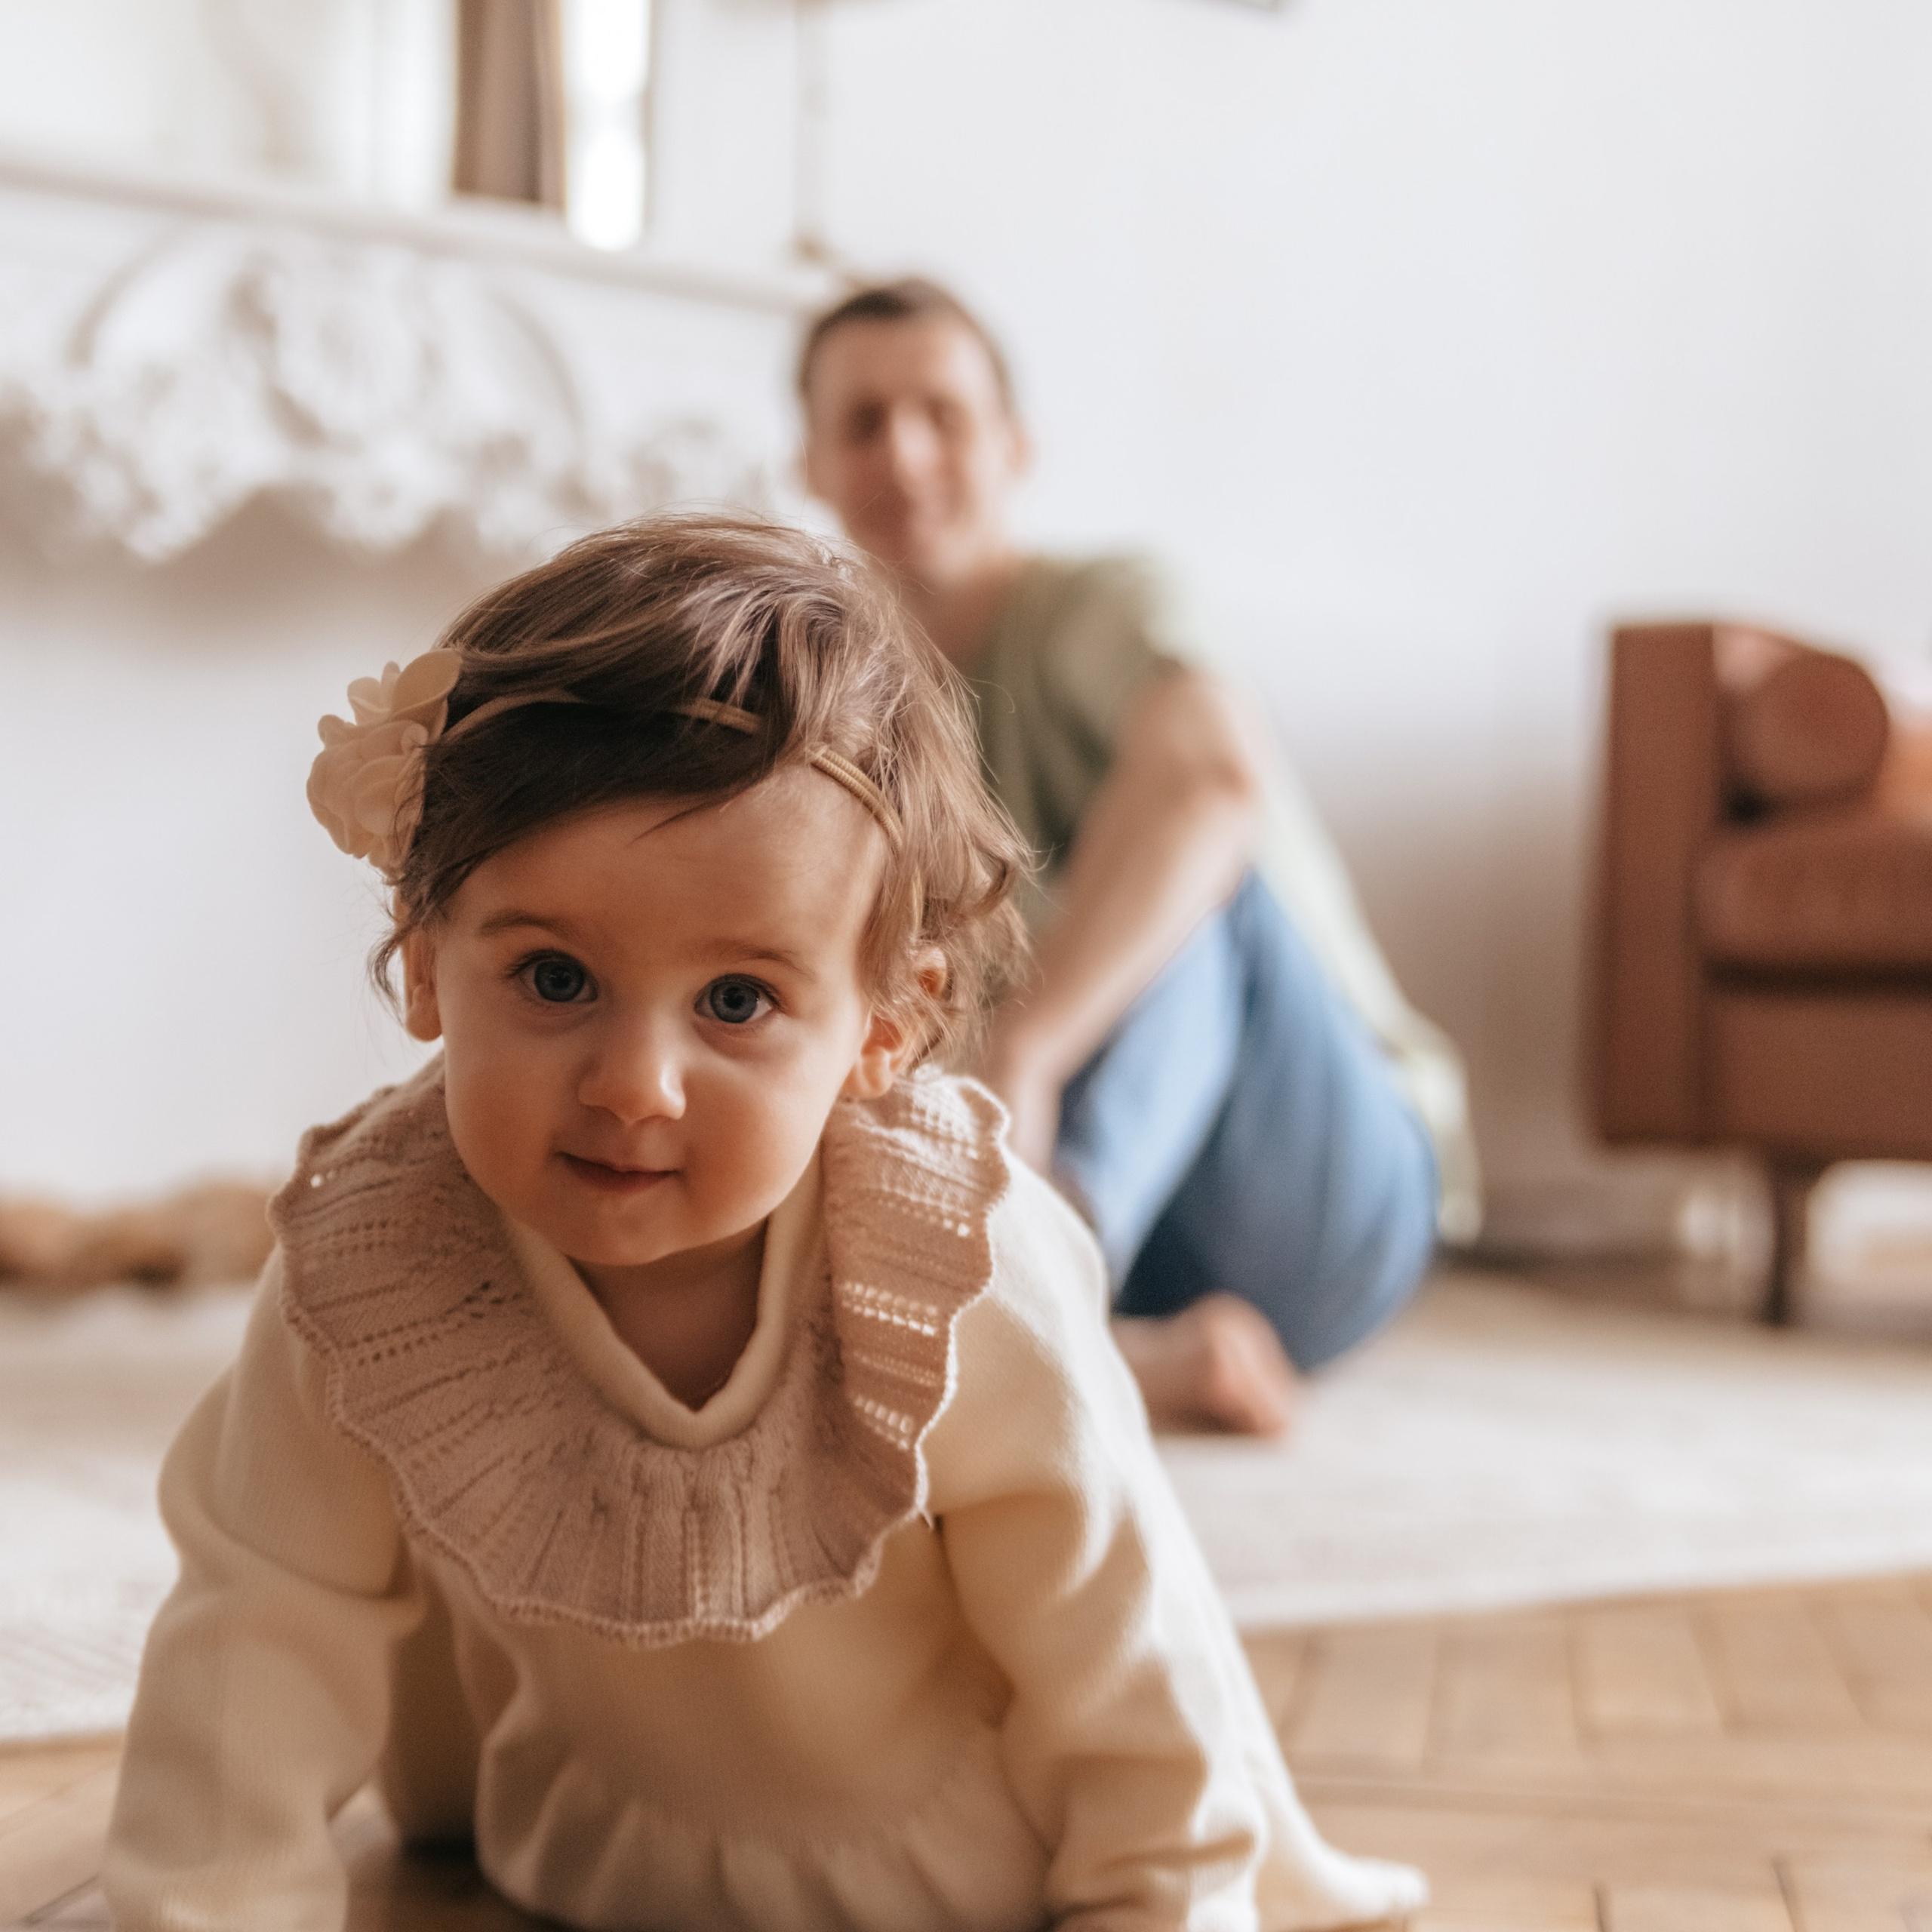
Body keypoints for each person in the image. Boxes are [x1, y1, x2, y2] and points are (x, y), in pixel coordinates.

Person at [103, 515, 1426, 1932]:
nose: (635, 1085)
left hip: (988, 1883)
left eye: (736, 1002)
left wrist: (1162, 1902)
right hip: (585, 1867)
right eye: (553, 977)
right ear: (426, 966)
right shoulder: (369, 1261)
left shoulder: (957, 1264)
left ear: (885, 1027)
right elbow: (255, 1633)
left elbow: (1128, 1647)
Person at [799, 280, 1480, 1439]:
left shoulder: (1099, 604)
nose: (903, 454)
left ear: (1015, 448)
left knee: (1197, 872)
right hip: (1142, 1240)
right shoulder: (843, 711)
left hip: (1328, 1189)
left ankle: (1029, 1306)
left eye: (942, 415)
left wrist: (1030, 1051)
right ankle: (1113, 1351)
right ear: (810, 464)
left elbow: (1214, 781)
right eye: (863, 423)